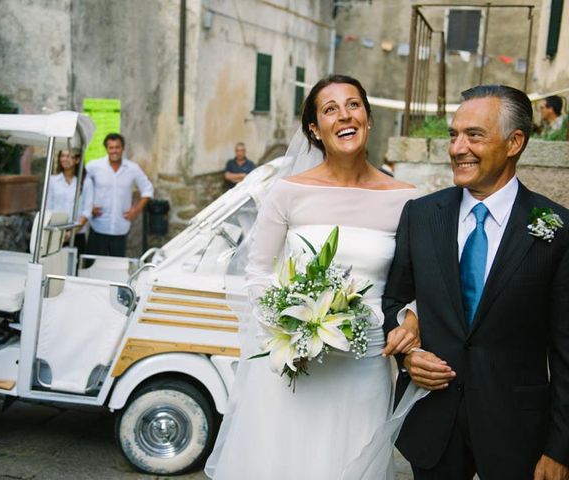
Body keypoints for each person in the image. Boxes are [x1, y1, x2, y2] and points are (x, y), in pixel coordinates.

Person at [205, 75, 425, 479]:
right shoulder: (288, 192)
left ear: (369, 118)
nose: (345, 115)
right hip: (299, 367)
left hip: (365, 366)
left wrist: (412, 316)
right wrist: (289, 329)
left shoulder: (406, 198)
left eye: (354, 105)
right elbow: (256, 271)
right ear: (314, 129)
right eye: (330, 109)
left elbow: (423, 279)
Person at [383, 85, 569, 480]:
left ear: (515, 142)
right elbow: (394, 302)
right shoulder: (421, 216)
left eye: (475, 135)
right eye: (454, 135)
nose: (457, 148)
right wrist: (407, 354)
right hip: (433, 426)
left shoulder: (558, 229)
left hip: (518, 435)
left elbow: (567, 350)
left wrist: (561, 448)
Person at [85, 133, 153, 257]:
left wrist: (136, 210)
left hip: (120, 228)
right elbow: (80, 188)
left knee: (116, 268)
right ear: (106, 149)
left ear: (123, 148)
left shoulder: (132, 168)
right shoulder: (93, 166)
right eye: (111, 147)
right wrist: (88, 207)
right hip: (98, 226)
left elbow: (147, 189)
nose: (114, 151)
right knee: (92, 268)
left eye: (117, 147)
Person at [46, 148, 91, 254]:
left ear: (77, 160)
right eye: (63, 156)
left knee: (72, 267)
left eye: (69, 156)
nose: (65, 159)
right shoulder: (53, 181)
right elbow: (48, 207)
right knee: (54, 267)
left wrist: (72, 233)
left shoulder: (86, 182)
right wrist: (58, 231)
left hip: (77, 234)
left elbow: (87, 210)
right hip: (55, 232)